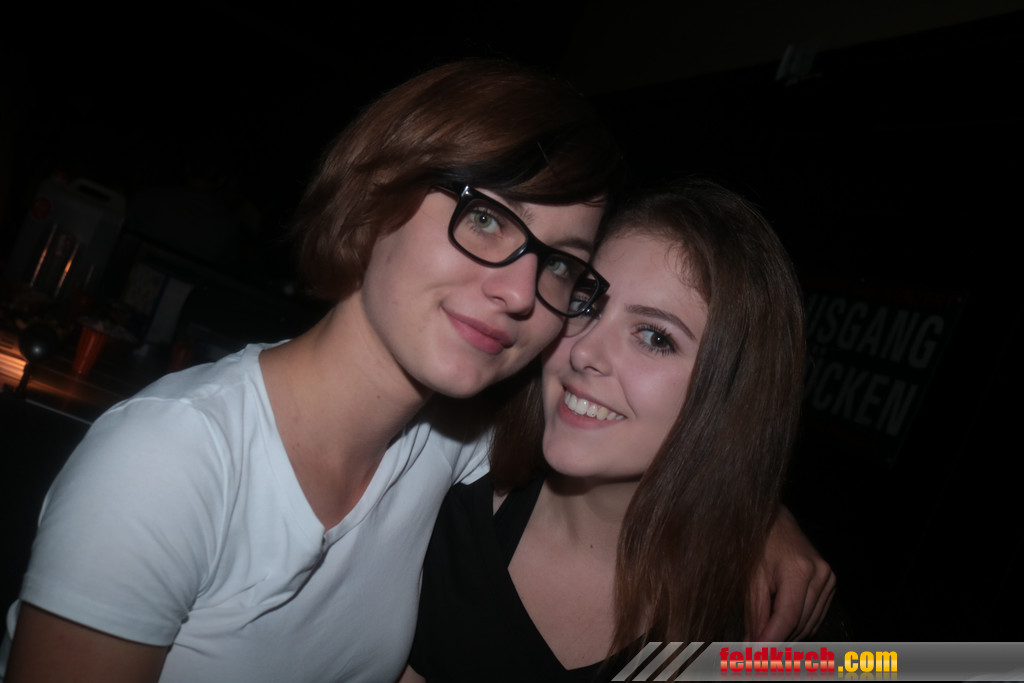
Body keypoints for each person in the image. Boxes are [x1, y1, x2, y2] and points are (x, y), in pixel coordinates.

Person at [2, 61, 829, 683]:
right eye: (486, 219)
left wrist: (757, 512)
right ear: (374, 202)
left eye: (558, 265)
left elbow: (673, 447)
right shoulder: (168, 463)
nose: (518, 291)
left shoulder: (448, 446)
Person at [404, 178, 834, 682]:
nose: (584, 351)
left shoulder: (759, 633)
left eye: (654, 337)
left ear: (731, 395)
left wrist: (758, 516)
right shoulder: (434, 488)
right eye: (587, 303)